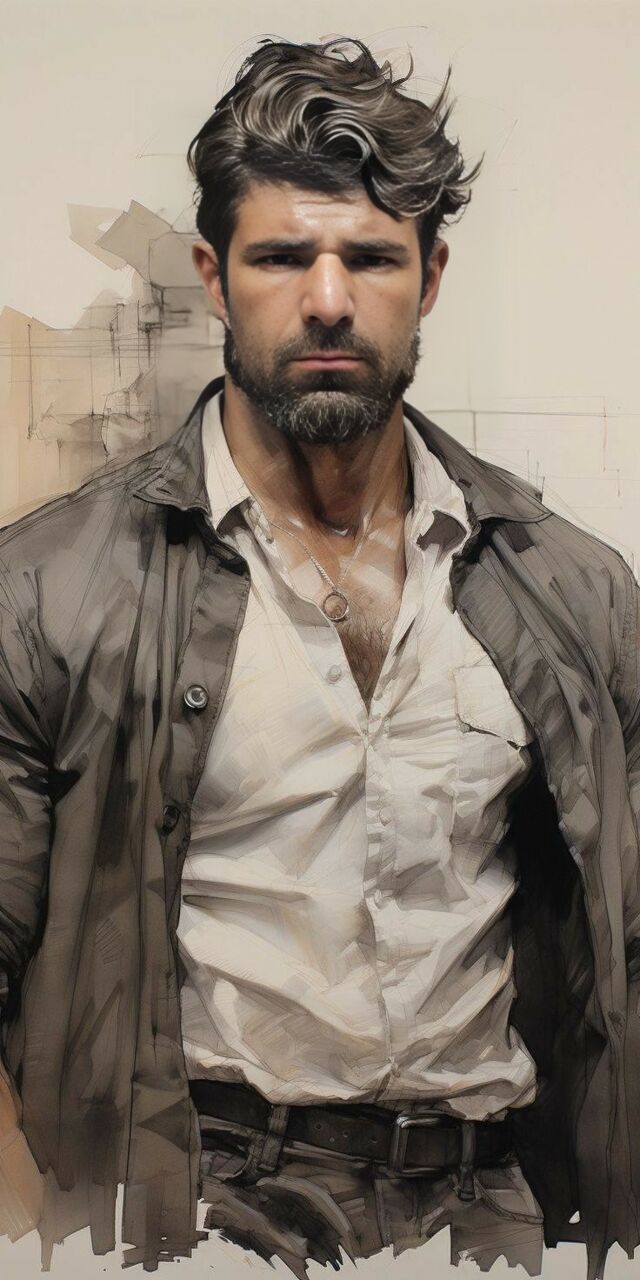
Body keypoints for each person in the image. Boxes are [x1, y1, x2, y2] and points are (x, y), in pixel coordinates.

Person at [0, 32, 638, 1280]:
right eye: (283, 256)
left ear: (430, 276)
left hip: (495, 1209)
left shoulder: (568, 587)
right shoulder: (48, 588)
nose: (330, 298)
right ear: (214, 274)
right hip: (195, 1204)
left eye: (372, 257)